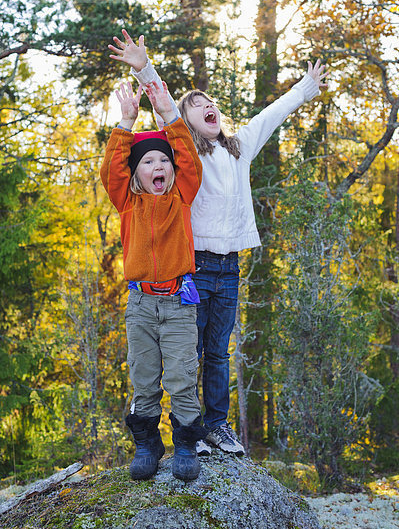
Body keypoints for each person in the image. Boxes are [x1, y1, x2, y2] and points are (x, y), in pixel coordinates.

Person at [108, 30, 328, 456]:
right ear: (185, 123)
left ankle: (215, 426)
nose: (206, 106)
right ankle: (187, 430)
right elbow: (166, 107)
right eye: (196, 105)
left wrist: (304, 88)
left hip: (229, 267)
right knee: (184, 350)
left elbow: (272, 114)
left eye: (209, 102)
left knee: (218, 352)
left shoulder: (238, 148)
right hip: (193, 266)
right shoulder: (185, 155)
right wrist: (144, 68)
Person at [100, 78, 207, 481]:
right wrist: (126, 122)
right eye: (147, 162)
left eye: (163, 160)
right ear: (136, 173)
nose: (158, 166)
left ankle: (184, 443)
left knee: (181, 377)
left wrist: (169, 114)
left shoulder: (182, 197)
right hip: (142, 305)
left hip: (179, 302)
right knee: (143, 377)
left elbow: (189, 161)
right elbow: (112, 170)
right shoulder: (127, 202)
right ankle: (147, 443)